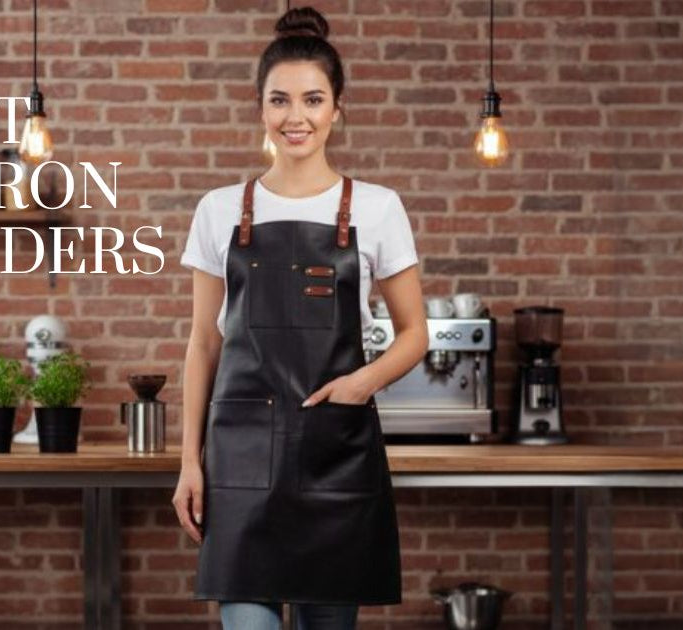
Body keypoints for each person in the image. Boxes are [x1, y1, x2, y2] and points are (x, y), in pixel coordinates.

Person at [173, 6, 429, 630]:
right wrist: (189, 461)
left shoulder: (378, 208)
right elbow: (203, 343)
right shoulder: (218, 210)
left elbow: (415, 334)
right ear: (260, 108)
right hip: (238, 457)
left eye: (313, 100)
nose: (297, 117)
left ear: (337, 109)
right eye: (280, 100)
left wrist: (361, 384)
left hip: (334, 454)